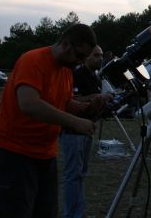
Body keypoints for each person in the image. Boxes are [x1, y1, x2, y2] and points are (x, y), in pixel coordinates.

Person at [0, 24, 97, 218]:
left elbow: (63, 100)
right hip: (12, 153)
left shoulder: (66, 69)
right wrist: (74, 122)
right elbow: (29, 104)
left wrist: (83, 107)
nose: (80, 62)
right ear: (66, 44)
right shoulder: (33, 60)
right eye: (79, 56)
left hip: (44, 155)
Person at [60, 45, 112, 218]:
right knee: (72, 176)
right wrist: (96, 98)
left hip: (87, 130)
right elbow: (70, 101)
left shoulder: (95, 77)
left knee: (80, 175)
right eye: (96, 55)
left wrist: (102, 103)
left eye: (101, 55)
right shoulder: (77, 75)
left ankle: (78, 212)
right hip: (73, 132)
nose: (100, 58)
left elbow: (92, 104)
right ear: (86, 57)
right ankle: (71, 214)